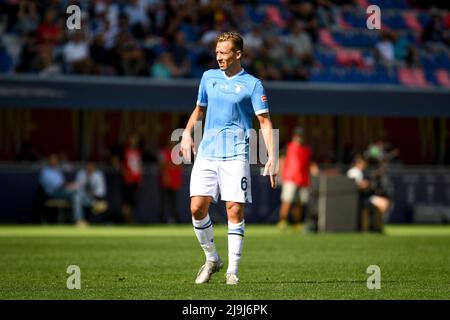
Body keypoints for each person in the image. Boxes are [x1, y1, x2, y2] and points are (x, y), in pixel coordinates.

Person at [180, 31, 277, 285]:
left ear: (238, 54)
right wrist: (187, 134)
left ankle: (232, 270)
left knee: (234, 209)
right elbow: (199, 110)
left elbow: (264, 122)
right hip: (207, 153)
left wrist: (272, 157)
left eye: (224, 53)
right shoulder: (208, 77)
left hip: (236, 154)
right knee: (196, 208)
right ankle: (212, 258)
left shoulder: (253, 85)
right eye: (217, 52)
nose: (219, 57)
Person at [277, 127, 313, 232]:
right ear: (294, 136)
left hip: (303, 180)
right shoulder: (288, 147)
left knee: (299, 204)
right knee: (287, 201)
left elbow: (308, 165)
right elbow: (282, 161)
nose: (299, 137)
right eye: (298, 135)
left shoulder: (306, 149)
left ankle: (297, 224)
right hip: (290, 178)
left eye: (301, 135)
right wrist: (280, 175)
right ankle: (282, 222)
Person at [38, 153, 80, 225]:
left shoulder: (57, 171)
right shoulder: (45, 172)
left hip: (62, 192)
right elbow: (59, 185)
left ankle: (77, 220)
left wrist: (71, 186)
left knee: (76, 195)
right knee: (75, 192)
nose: (54, 161)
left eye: (55, 160)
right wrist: (71, 185)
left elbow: (63, 184)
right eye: (52, 160)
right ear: (49, 161)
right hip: (52, 194)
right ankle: (89, 204)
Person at [74, 161, 108, 226]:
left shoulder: (98, 175)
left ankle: (91, 221)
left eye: (91, 166)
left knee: (101, 205)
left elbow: (102, 190)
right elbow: (77, 187)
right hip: (82, 196)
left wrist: (93, 193)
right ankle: (79, 220)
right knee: (76, 197)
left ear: (94, 167)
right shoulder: (81, 174)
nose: (89, 168)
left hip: (94, 198)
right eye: (88, 166)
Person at [158, 140, 183, 224]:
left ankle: (175, 219)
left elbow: (180, 166)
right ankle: (163, 219)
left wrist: (169, 165)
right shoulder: (163, 152)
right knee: (165, 202)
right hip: (166, 181)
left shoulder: (178, 153)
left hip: (175, 182)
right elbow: (162, 165)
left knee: (174, 202)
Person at [121, 133, 143, 223]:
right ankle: (125, 219)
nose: (134, 141)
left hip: (135, 180)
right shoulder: (125, 151)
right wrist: (125, 174)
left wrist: (140, 178)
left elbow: (139, 166)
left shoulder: (138, 152)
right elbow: (120, 164)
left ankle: (129, 218)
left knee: (133, 200)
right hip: (127, 179)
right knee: (127, 200)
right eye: (132, 139)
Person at [346, 154, 370, 232]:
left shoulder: (359, 172)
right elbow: (353, 185)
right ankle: (366, 229)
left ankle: (370, 228)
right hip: (354, 198)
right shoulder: (354, 171)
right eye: (363, 163)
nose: (364, 165)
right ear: (358, 163)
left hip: (360, 197)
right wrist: (364, 185)